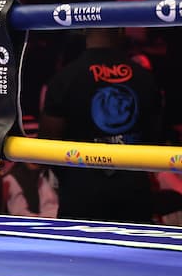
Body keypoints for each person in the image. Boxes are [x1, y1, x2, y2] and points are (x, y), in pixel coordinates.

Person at [40, 27, 162, 222]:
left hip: (80, 191)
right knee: (134, 251)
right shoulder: (144, 78)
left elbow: (47, 143)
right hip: (131, 191)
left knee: (80, 252)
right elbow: (156, 136)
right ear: (122, 31)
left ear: (84, 31)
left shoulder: (65, 78)